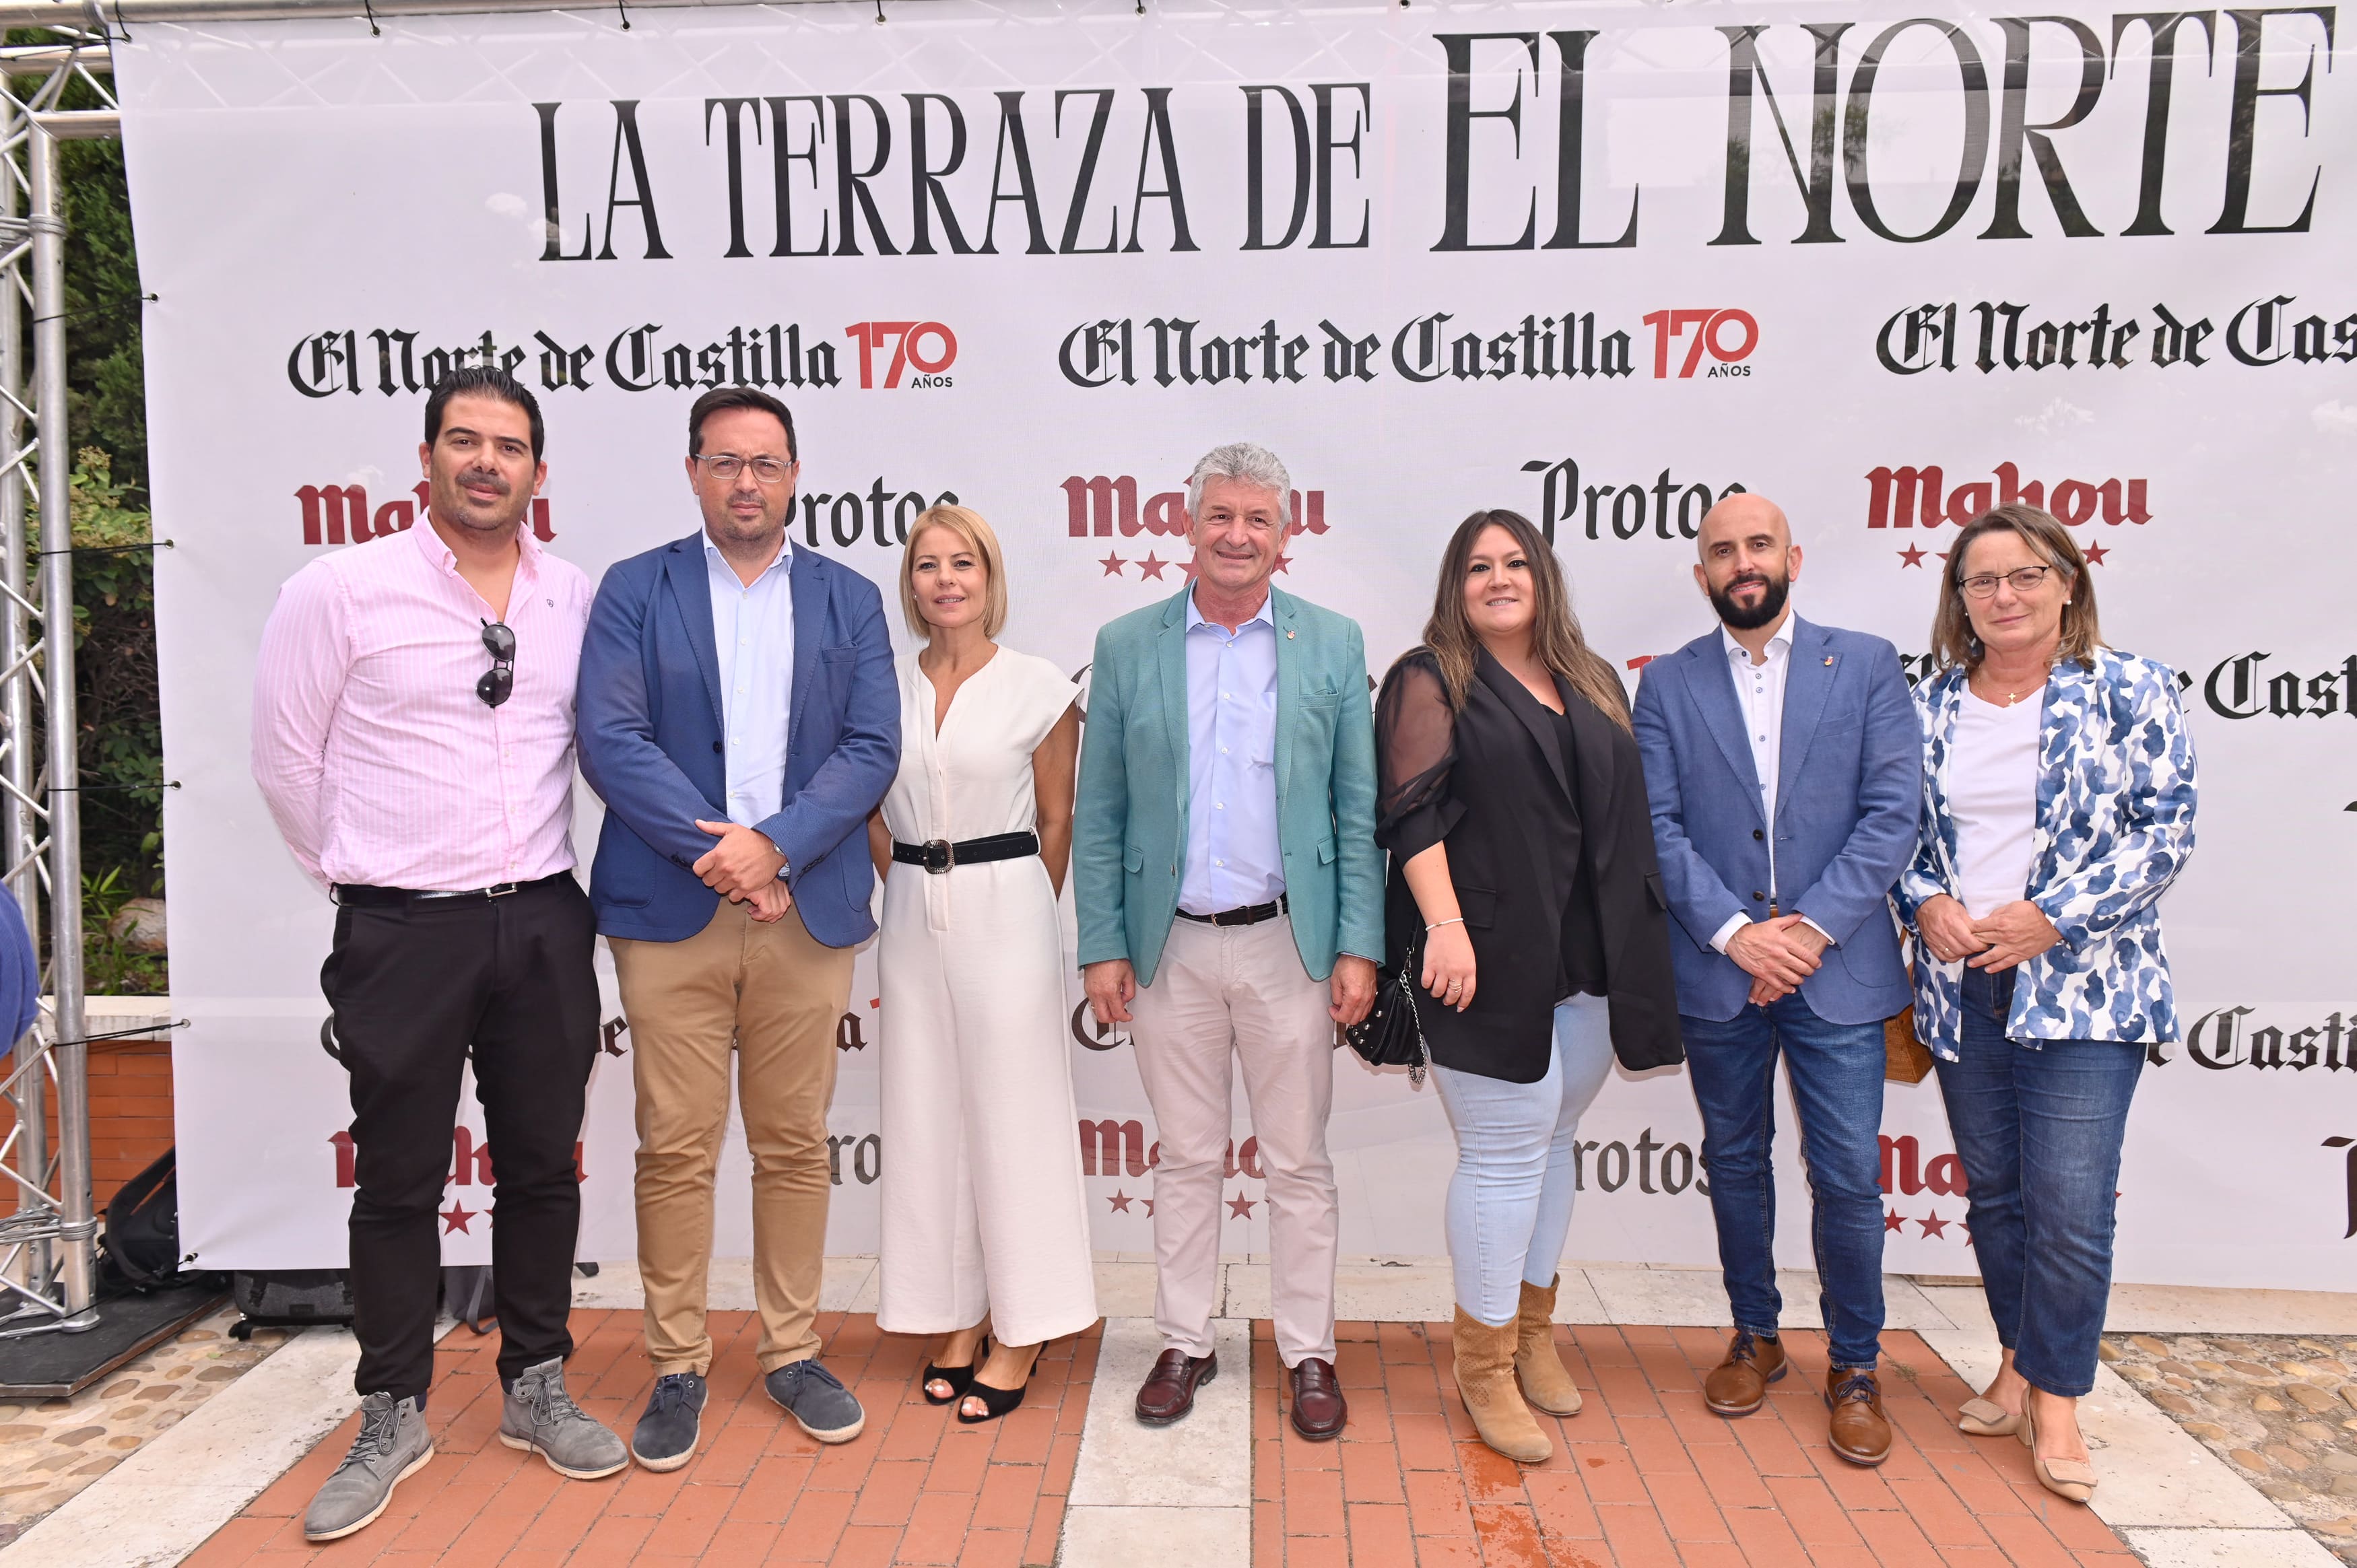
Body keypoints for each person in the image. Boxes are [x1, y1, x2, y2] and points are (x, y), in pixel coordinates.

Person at [252, 367, 626, 1543]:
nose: (486, 462)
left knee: (540, 1167)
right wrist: (369, 877)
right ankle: (392, 1406)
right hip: (403, 927)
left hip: (545, 919)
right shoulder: (340, 588)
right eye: (464, 441)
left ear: (537, 472)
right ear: (427, 459)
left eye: (508, 446)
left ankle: (534, 1382)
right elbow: (284, 761)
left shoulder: (573, 599)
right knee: (400, 1178)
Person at [574, 385, 898, 1471]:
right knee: (674, 1144)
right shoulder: (635, 588)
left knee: (795, 1144)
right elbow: (611, 738)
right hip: (672, 913)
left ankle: (791, 1348)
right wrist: (722, 851)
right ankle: (677, 1361)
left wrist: (779, 848)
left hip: (804, 908)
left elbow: (869, 748)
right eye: (725, 462)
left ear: (796, 474)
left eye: (765, 463)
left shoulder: (850, 598)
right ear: (694, 472)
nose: (746, 482)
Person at [1073, 442, 1382, 1441]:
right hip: (1173, 952)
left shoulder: (1333, 643)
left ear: (1285, 537)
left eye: (1257, 520)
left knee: (1298, 1162)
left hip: (1293, 945)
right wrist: (1102, 942)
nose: (1237, 536)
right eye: (1220, 517)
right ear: (1188, 525)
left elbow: (1356, 807)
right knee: (1187, 1157)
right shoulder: (1128, 644)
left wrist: (1360, 946)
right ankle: (1184, 1339)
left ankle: (1308, 1350)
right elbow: (1101, 809)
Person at [1896, 504, 2195, 1505]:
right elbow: (1896, 833)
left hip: (2086, 987)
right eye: (1982, 581)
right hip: (1962, 986)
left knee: (2069, 1209)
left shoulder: (2132, 688)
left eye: (2025, 575)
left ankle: (2058, 1397)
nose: (2004, 596)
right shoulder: (1930, 703)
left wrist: (2049, 917)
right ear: (1960, 601)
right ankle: (2020, 1358)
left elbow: (2163, 837)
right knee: (1998, 1198)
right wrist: (1926, 899)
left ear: (2068, 582)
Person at [1374, 509, 1682, 1464]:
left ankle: (1533, 1334)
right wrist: (1447, 928)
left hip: (1591, 960)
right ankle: (1483, 1368)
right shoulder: (1431, 677)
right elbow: (1409, 819)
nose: (1498, 578)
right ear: (1454, 585)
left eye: (1515, 562)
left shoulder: (1590, 678)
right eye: (1478, 566)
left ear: (1543, 577)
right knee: (1507, 1152)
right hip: (1480, 958)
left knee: (1552, 1142)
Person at [1630, 492, 1919, 1467]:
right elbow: (1657, 830)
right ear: (1701, 571)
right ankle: (1755, 1334)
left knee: (1846, 1176)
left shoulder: (1870, 662)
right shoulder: (1666, 684)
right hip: (1720, 974)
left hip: (1836, 973)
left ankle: (1856, 1366)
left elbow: (1892, 814)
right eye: (1722, 550)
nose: (1742, 562)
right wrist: (1737, 935)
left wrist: (1804, 934)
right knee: (1738, 1160)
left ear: (1794, 554)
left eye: (1758, 545)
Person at [867, 505, 1098, 1423]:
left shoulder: (1039, 686)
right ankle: (951, 1314)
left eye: (964, 563)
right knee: (928, 1115)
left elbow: (1057, 822)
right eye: (929, 565)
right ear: (911, 583)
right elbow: (871, 811)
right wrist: (916, 882)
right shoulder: (881, 686)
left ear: (990, 578)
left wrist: (1018, 903)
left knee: (1016, 1116)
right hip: (913, 913)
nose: (947, 579)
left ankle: (1025, 1325)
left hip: (1012, 911)